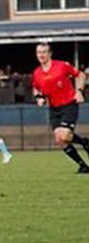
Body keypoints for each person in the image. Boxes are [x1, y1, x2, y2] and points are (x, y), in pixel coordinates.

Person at [32, 42, 89, 173]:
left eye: (44, 52)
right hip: (54, 107)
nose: (41, 55)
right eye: (39, 52)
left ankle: (85, 143)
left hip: (69, 104)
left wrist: (79, 91)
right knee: (60, 140)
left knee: (64, 135)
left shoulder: (62, 66)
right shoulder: (37, 73)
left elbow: (80, 75)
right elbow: (36, 88)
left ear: (50, 53)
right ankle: (83, 165)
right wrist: (39, 97)